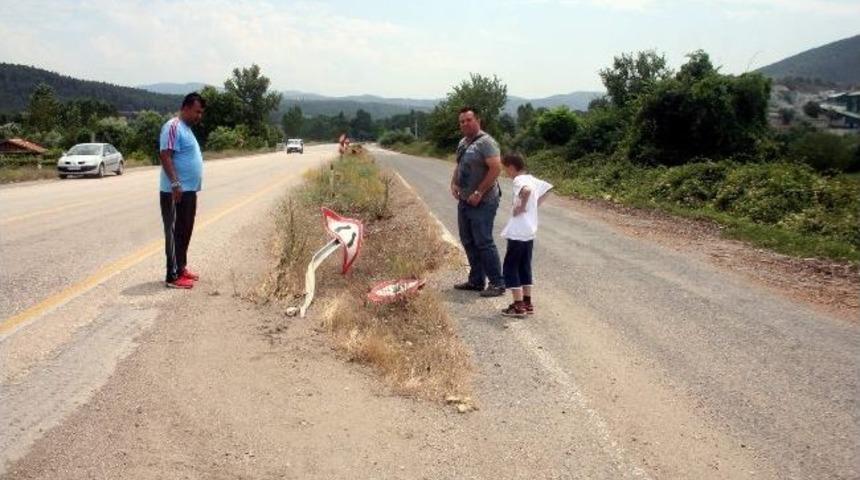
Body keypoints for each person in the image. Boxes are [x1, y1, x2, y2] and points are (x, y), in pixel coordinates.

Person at [450, 106, 506, 297]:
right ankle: (476, 281)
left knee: (483, 241)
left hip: (483, 200)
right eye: (462, 121)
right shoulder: (463, 142)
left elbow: (496, 168)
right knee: (468, 240)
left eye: (468, 120)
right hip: (465, 200)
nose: (465, 123)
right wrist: (454, 184)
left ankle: (497, 283)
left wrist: (479, 192)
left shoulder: (486, 142)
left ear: (478, 121)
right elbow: (459, 164)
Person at [159, 92, 205, 289]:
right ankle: (172, 276)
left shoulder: (187, 128)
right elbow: (165, 155)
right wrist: (176, 183)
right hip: (175, 191)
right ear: (185, 108)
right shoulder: (173, 126)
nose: (199, 116)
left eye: (201, 112)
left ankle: (182, 267)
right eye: (197, 111)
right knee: (175, 232)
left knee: (185, 230)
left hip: (188, 191)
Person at [499, 153, 553, 317]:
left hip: (518, 230)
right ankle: (527, 302)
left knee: (510, 266)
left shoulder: (519, 180)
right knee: (524, 265)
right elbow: (549, 188)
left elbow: (527, 191)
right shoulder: (531, 178)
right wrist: (534, 205)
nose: (506, 173)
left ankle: (518, 305)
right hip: (530, 230)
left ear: (511, 167)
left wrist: (521, 206)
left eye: (506, 169)